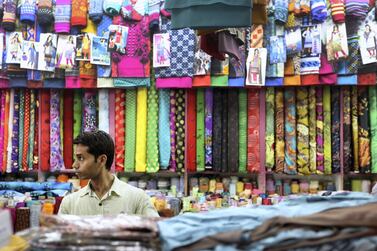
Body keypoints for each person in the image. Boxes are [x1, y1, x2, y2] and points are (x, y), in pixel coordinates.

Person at [58, 130, 159, 217]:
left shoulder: (137, 199)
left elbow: (157, 233)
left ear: (102, 160)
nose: (74, 165)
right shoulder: (69, 203)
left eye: (81, 158)